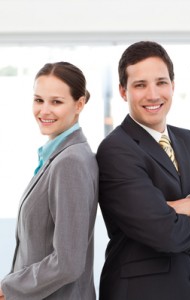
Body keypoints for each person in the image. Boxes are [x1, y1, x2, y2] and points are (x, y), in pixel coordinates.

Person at [96, 41, 190, 300]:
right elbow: (165, 234)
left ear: (173, 85)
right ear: (123, 91)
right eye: (140, 85)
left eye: (161, 82)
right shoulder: (115, 150)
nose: (153, 95)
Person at [0, 62, 98, 300]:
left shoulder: (70, 162)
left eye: (56, 102)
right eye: (39, 100)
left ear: (79, 104)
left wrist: (8, 288)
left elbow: (68, 263)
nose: (44, 111)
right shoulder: (59, 156)